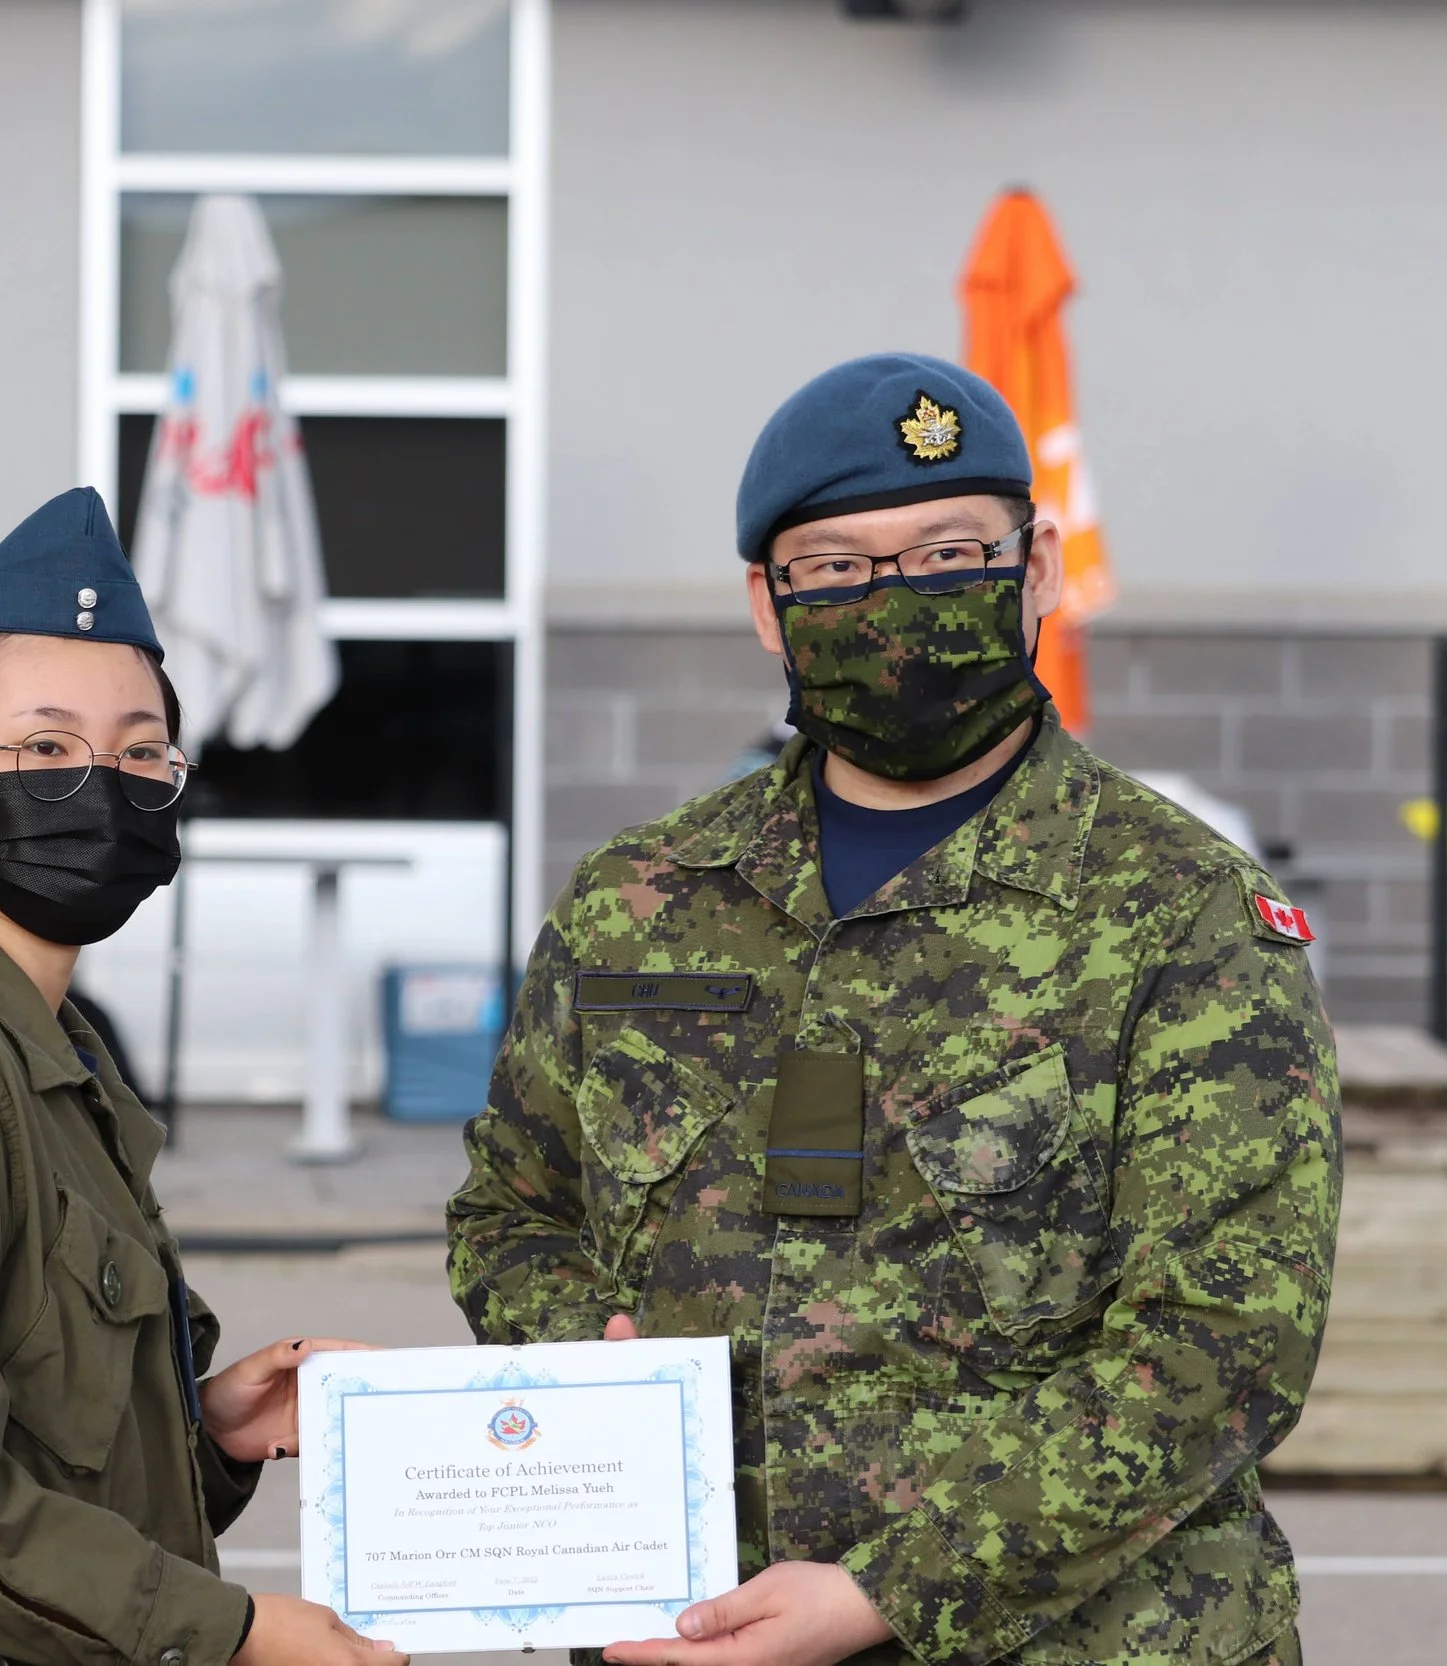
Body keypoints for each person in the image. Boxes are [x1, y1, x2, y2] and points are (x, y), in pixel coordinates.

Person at [448, 355, 1339, 1666]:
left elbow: (1223, 1340)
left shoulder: (1184, 912)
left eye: (946, 554)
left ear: (1036, 569)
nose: (896, 599)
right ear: (767, 606)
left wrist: (893, 1589)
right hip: (690, 1622)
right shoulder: (639, 899)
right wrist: (593, 1356)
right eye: (836, 567)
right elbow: (512, 1210)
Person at [0, 487, 405, 1666]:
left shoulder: (50, 1053)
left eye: (140, 751)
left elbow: (45, 1444)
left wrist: (210, 1431)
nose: (100, 782)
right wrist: (235, 1631)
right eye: (44, 748)